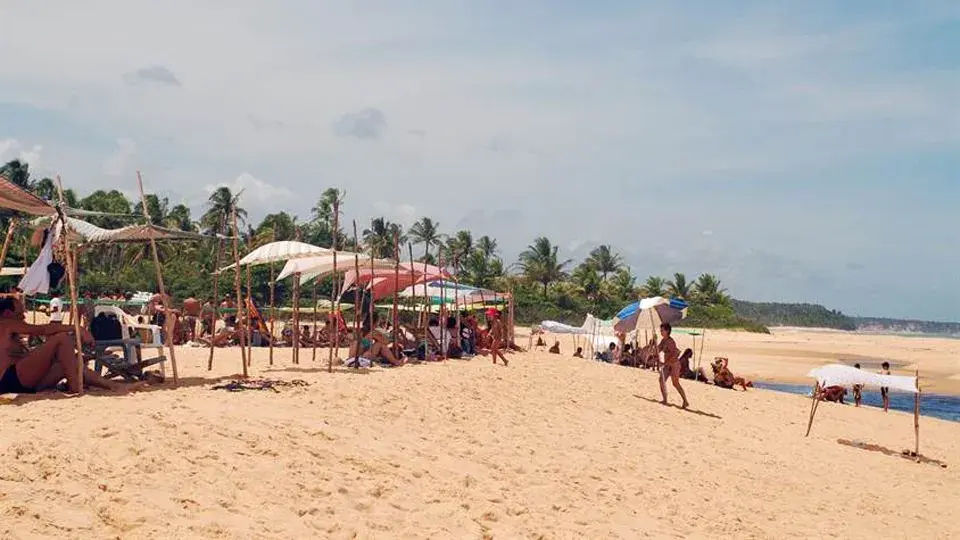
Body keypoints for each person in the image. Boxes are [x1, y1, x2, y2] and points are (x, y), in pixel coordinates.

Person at [0, 297, 139, 394]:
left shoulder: (10, 330)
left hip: (25, 382)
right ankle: (76, 388)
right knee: (61, 339)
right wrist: (76, 328)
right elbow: (42, 330)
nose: (24, 317)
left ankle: (113, 385)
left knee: (73, 362)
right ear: (7, 313)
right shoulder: (5, 323)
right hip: (11, 380)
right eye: (19, 314)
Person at [657, 323, 689, 408]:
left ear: (667, 331)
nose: (661, 332)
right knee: (661, 380)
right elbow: (658, 349)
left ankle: (685, 401)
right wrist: (654, 343)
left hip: (674, 364)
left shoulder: (671, 342)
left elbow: (674, 355)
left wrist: (664, 363)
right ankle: (665, 399)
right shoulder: (663, 340)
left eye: (662, 330)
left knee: (675, 383)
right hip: (667, 364)